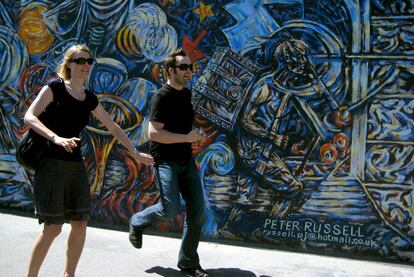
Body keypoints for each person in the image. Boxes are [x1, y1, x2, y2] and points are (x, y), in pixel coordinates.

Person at [24, 44, 154, 277]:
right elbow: (29, 116)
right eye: (80, 61)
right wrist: (56, 138)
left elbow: (113, 127)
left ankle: (69, 275)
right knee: (52, 228)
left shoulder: (89, 99)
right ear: (69, 64)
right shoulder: (54, 88)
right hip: (51, 164)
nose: (86, 65)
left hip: (75, 166)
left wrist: (135, 152)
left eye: (89, 61)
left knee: (80, 223)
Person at [129, 49, 209, 277]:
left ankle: (188, 262)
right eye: (184, 67)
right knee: (170, 208)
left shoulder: (186, 94)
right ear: (171, 70)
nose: (189, 71)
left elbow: (181, 128)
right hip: (166, 162)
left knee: (197, 212)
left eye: (190, 67)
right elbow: (154, 134)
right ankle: (138, 221)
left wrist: (195, 134)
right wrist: (187, 137)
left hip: (185, 160)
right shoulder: (161, 97)